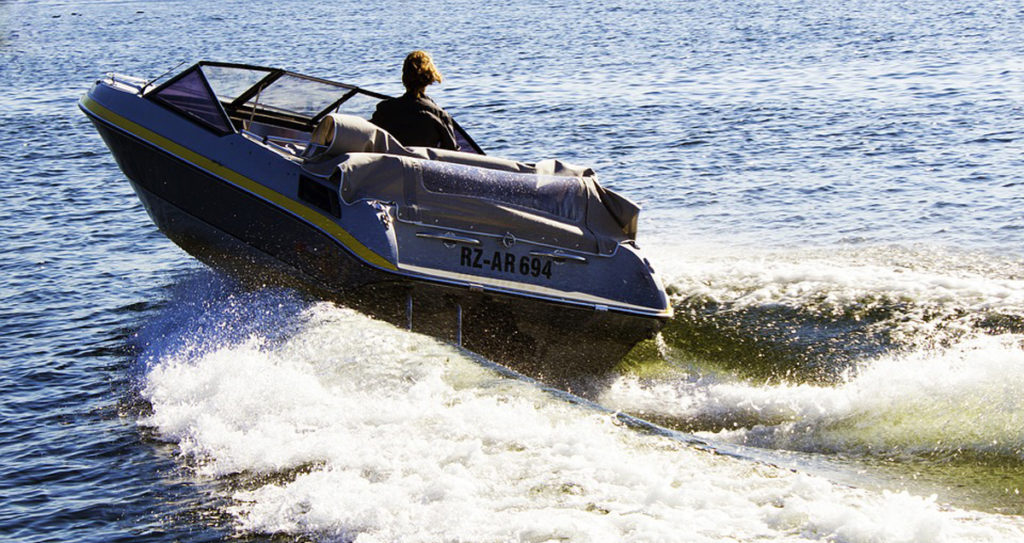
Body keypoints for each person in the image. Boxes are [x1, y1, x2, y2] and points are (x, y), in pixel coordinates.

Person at [370, 50, 459, 150]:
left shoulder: (384, 109)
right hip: (424, 165)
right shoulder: (439, 115)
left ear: (404, 77)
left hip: (390, 164)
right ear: (430, 77)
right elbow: (451, 152)